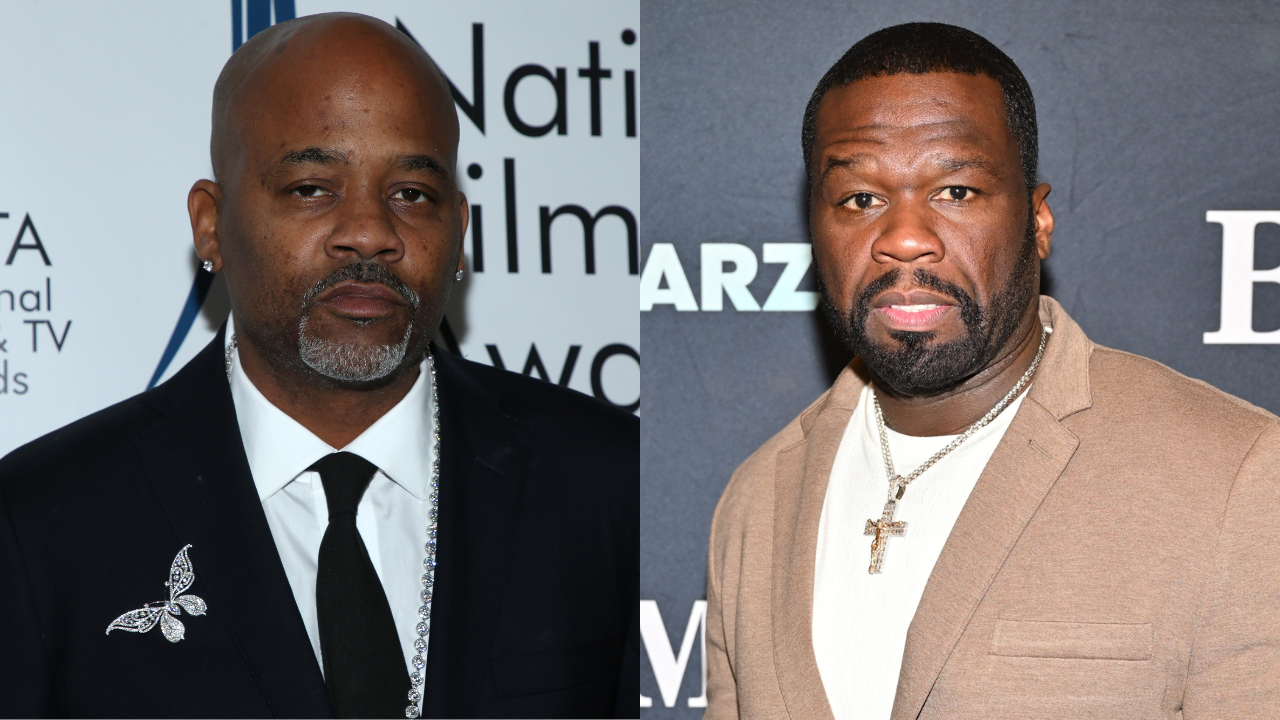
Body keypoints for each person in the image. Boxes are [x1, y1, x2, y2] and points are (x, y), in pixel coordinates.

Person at [0, 13, 637, 719]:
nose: (369, 231)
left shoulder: (607, 486)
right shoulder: (41, 527)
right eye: (311, 188)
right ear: (210, 224)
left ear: (458, 229)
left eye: (412, 195)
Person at [703, 22, 1280, 719]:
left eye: (956, 191)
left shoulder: (1234, 475)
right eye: (861, 198)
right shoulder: (758, 498)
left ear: (1038, 220)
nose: (905, 238)